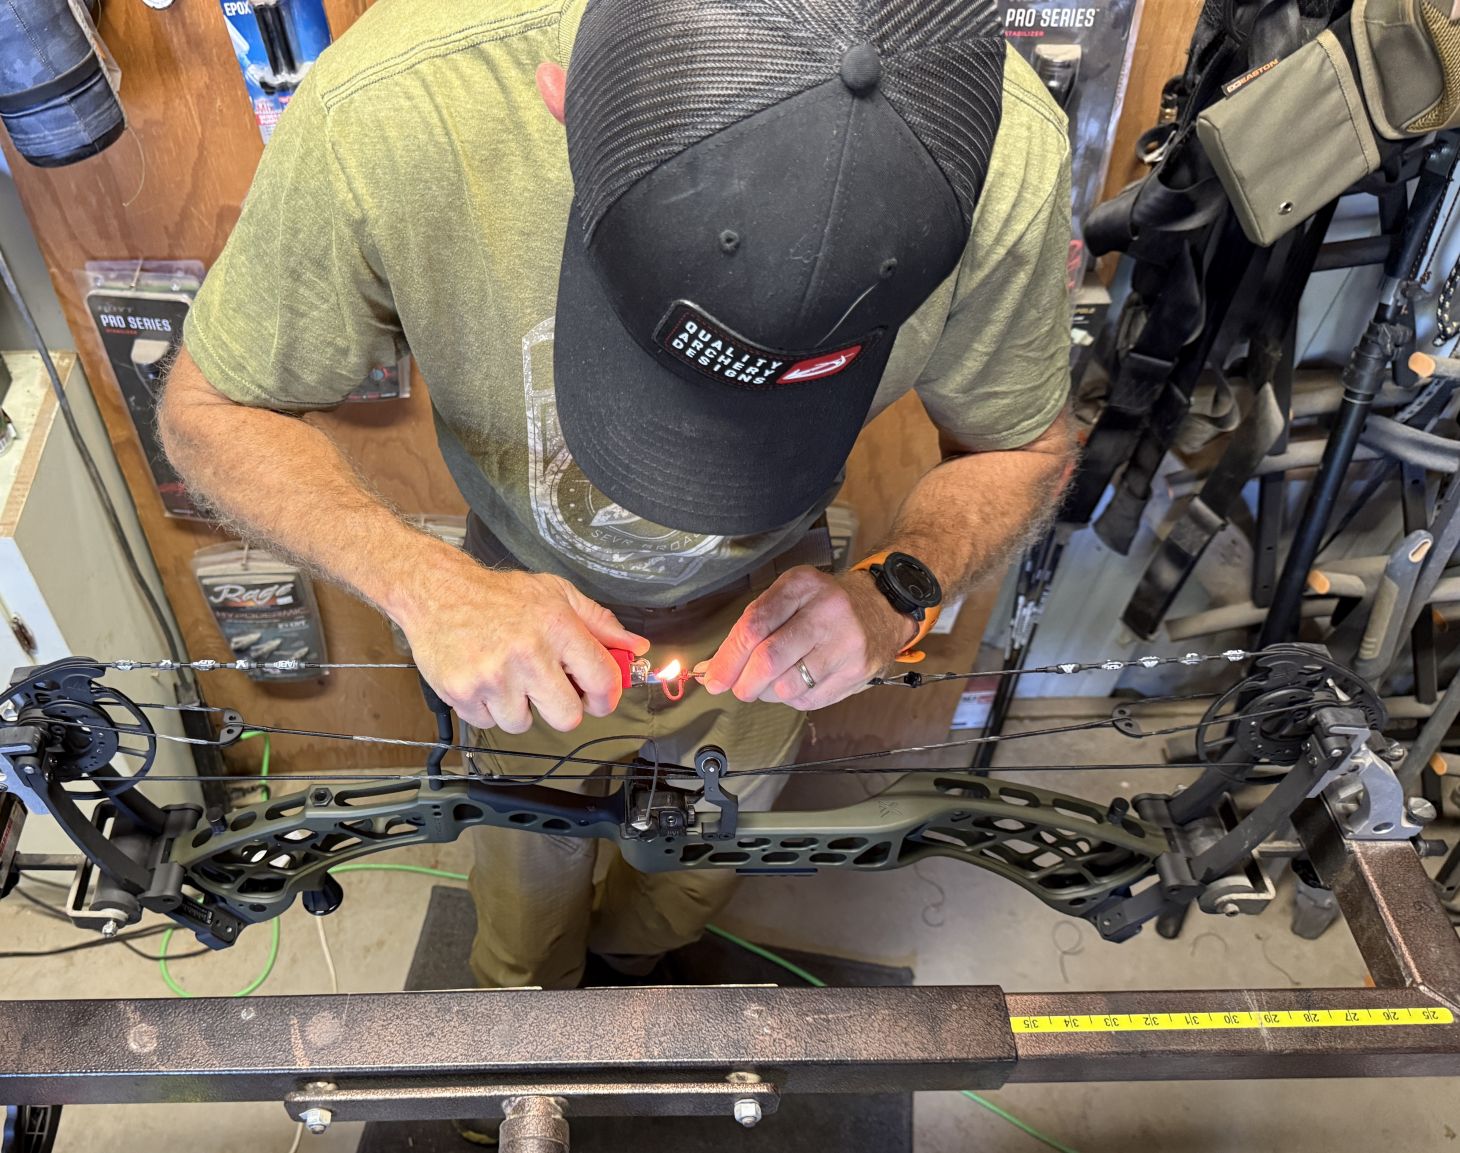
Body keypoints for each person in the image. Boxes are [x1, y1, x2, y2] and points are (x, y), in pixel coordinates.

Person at [161, 0, 1077, 999]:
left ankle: (634, 979)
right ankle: (533, 1042)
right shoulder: (397, 103)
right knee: (525, 889)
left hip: (774, 622)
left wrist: (890, 591)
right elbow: (209, 410)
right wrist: (424, 584)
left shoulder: (991, 150)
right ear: (564, 104)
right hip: (519, 617)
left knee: (698, 869)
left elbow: (1024, 442)